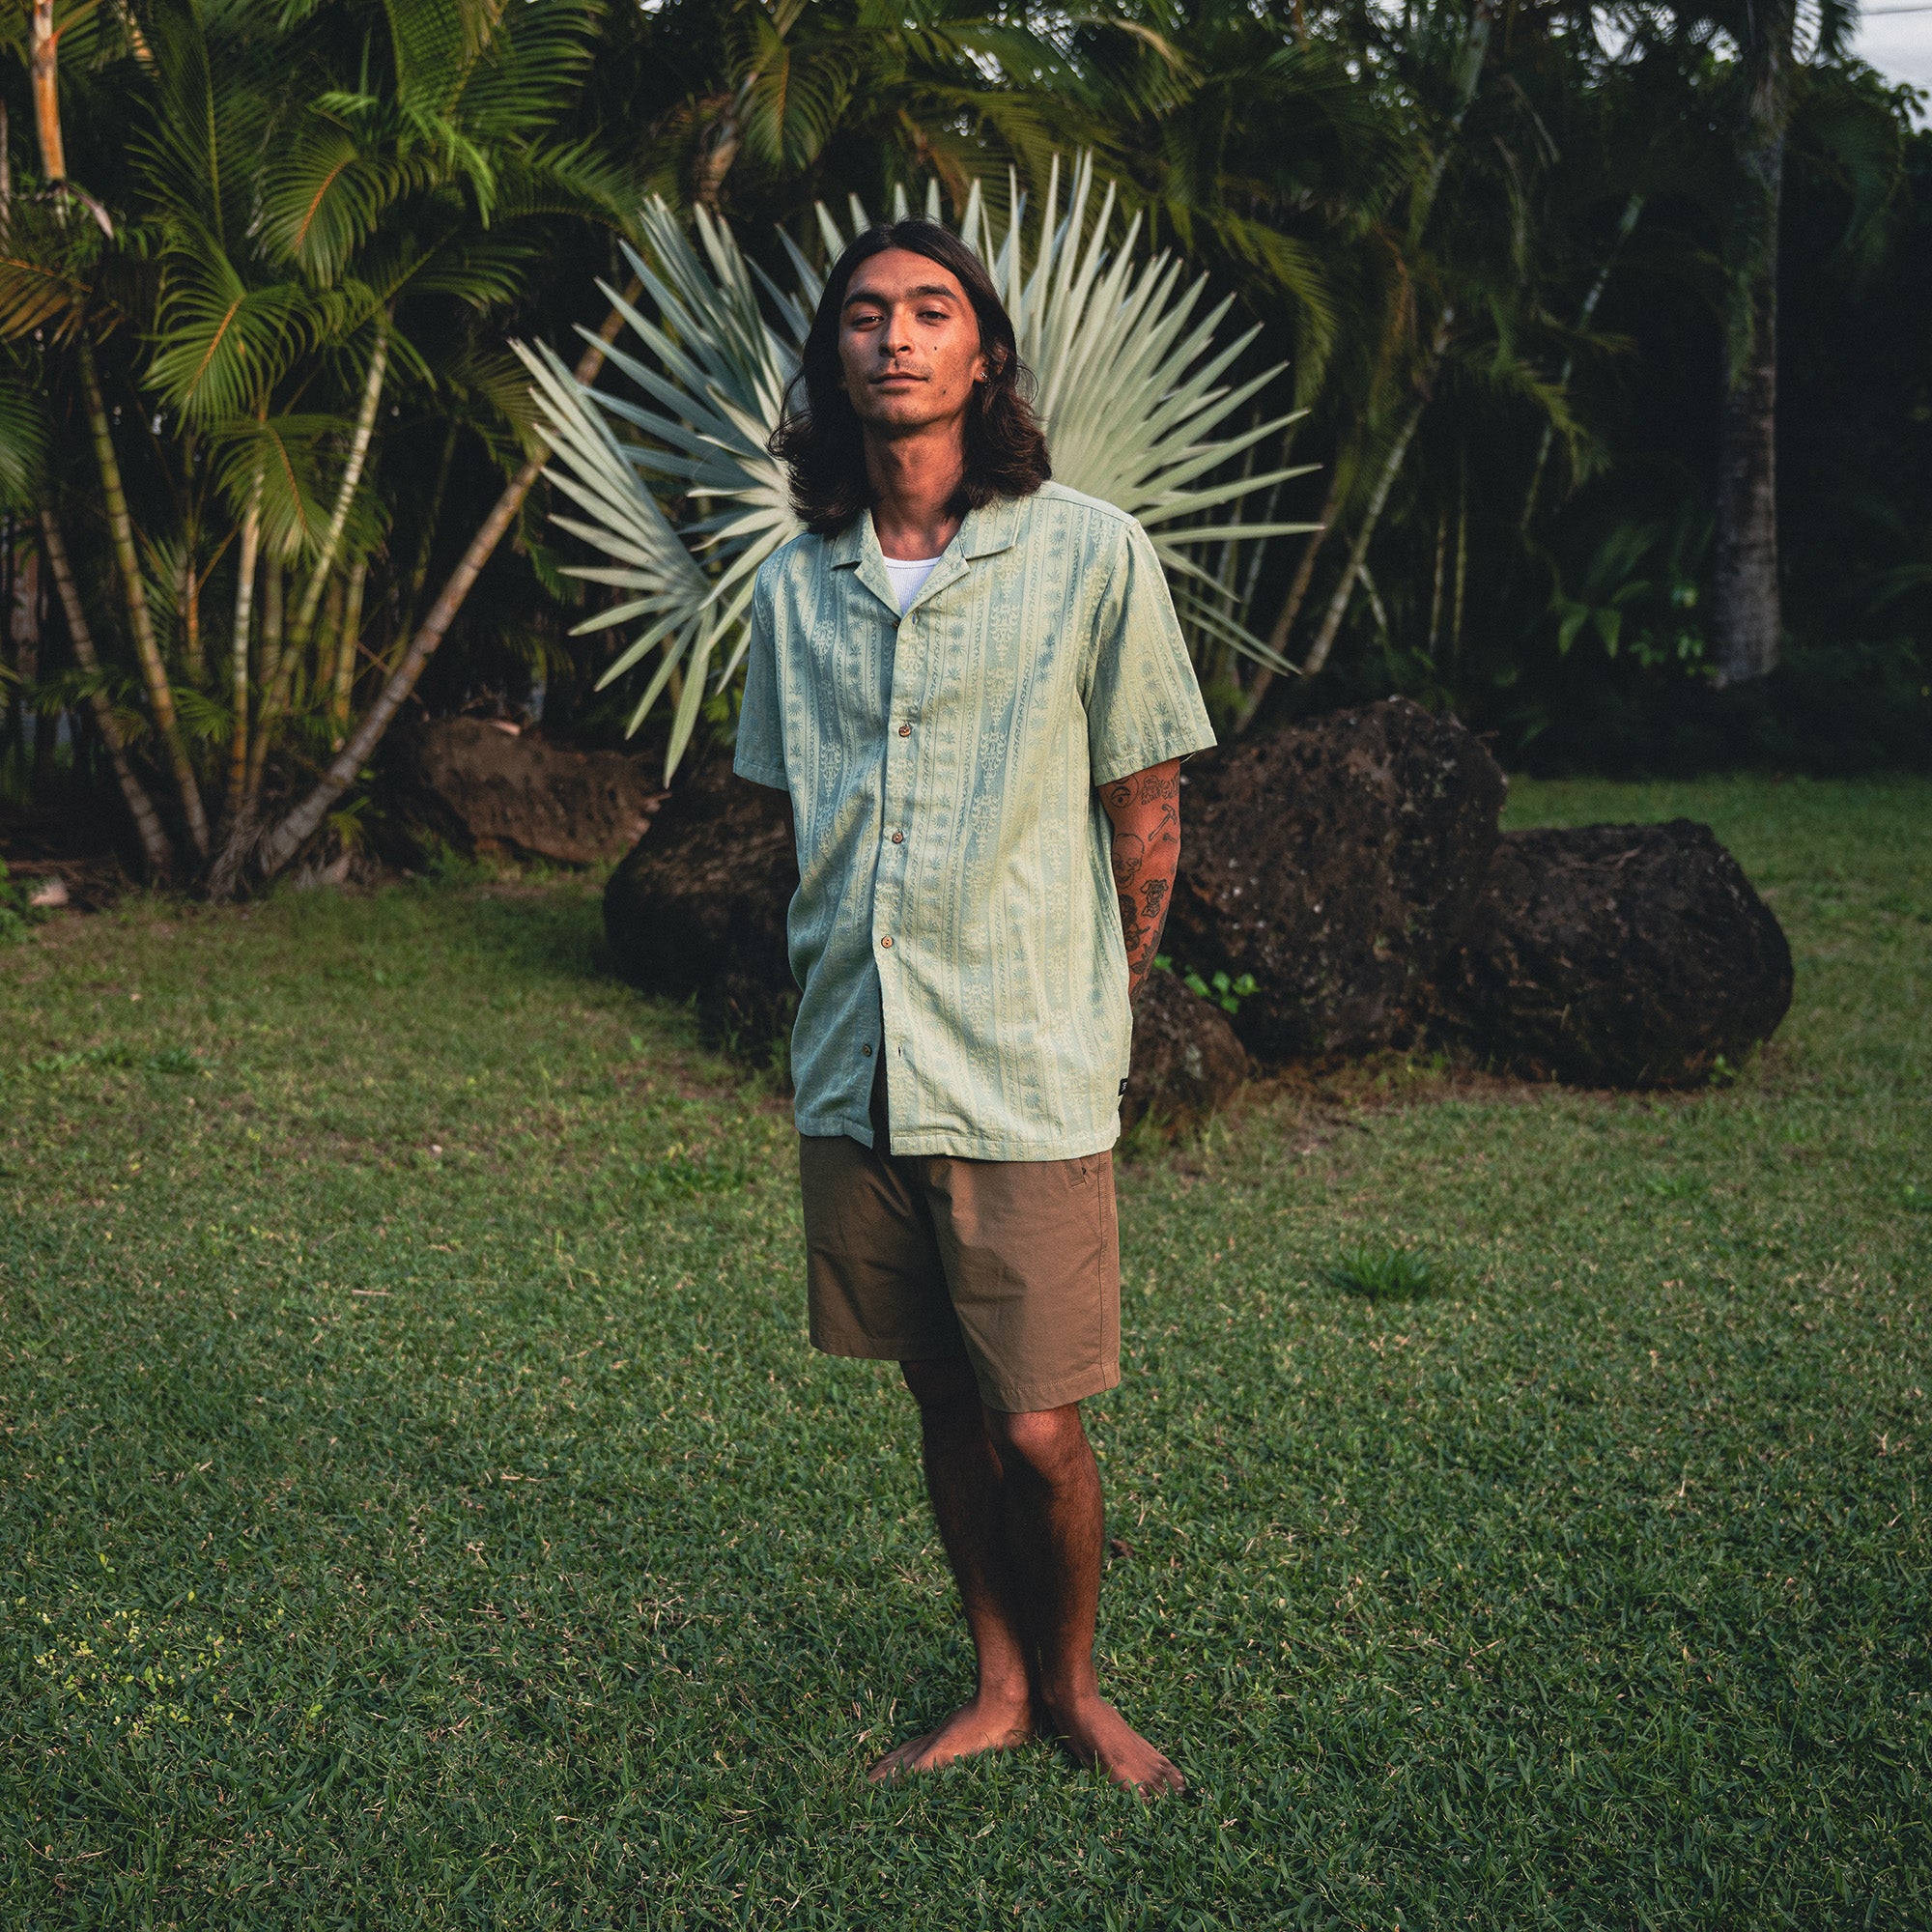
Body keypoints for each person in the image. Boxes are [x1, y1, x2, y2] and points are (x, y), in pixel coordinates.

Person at [735, 218, 1214, 1798]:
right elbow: (799, 816)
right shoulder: (792, 584)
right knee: (940, 1393)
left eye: (930, 311)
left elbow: (1145, 815)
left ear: (983, 352)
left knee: (1036, 1427)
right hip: (854, 1060)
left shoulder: (1088, 552)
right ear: (833, 358)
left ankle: (1077, 1687)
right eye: (864, 314)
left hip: (1023, 1066)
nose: (895, 336)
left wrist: (1092, 1008)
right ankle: (996, 1682)